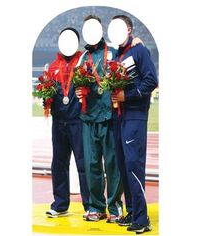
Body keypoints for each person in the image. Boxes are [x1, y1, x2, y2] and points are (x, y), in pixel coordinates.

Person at [110, 15, 158, 234]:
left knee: (133, 166)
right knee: (123, 166)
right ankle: (132, 211)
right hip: (119, 118)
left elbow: (151, 80)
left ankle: (142, 218)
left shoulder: (139, 50)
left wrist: (126, 96)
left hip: (135, 116)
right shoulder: (118, 56)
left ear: (128, 29)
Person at [75, 15, 124, 223]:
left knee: (113, 164)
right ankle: (96, 206)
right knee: (92, 164)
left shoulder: (112, 52)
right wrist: (78, 91)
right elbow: (77, 83)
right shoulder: (82, 57)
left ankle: (114, 207)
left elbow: (123, 73)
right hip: (88, 117)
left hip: (110, 116)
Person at [45, 28, 90, 218]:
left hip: (78, 120)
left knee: (84, 163)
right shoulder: (53, 66)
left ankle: (91, 205)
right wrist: (45, 97)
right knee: (59, 163)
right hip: (59, 122)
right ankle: (61, 203)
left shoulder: (84, 63)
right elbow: (49, 93)